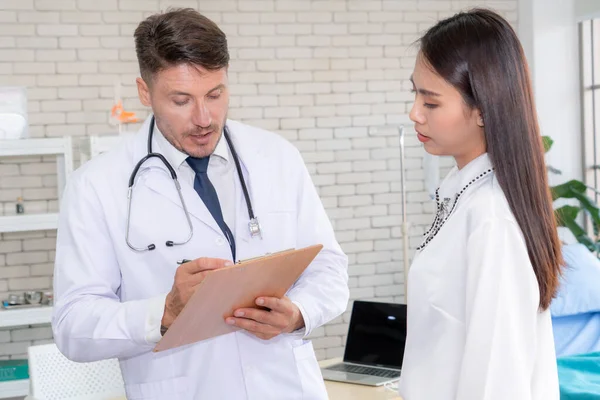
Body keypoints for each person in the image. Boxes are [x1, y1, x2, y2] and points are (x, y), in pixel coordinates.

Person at [52, 8, 348, 400]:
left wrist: (297, 313)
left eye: (215, 94)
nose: (204, 118)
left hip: (287, 387)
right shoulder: (96, 186)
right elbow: (73, 327)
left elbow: (328, 268)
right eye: (181, 100)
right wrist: (166, 311)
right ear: (145, 92)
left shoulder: (276, 157)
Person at [399, 9, 563, 400]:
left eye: (432, 102)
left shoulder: (490, 217)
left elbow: (497, 378)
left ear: (484, 111)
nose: (414, 113)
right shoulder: (465, 196)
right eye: (415, 93)